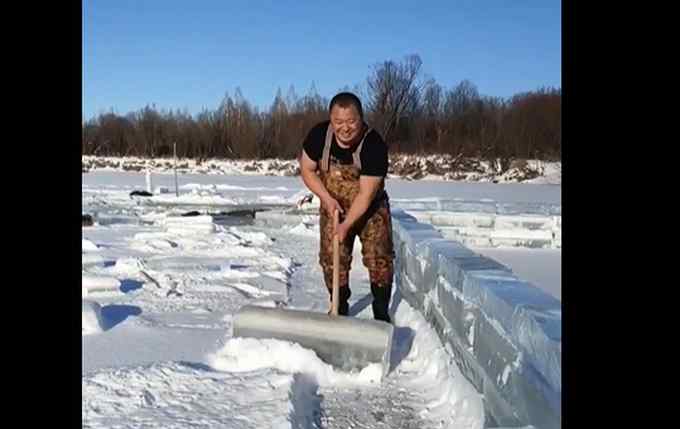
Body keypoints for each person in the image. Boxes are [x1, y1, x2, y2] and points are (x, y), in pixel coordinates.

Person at [299, 92, 395, 323]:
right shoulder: (319, 136)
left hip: (370, 209)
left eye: (351, 121)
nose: (345, 128)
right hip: (333, 206)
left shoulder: (373, 145)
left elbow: (365, 194)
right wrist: (327, 198)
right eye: (338, 122)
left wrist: (347, 225)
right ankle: (339, 307)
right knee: (332, 259)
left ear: (361, 119)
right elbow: (307, 169)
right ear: (331, 120)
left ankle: (381, 314)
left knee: (379, 259)